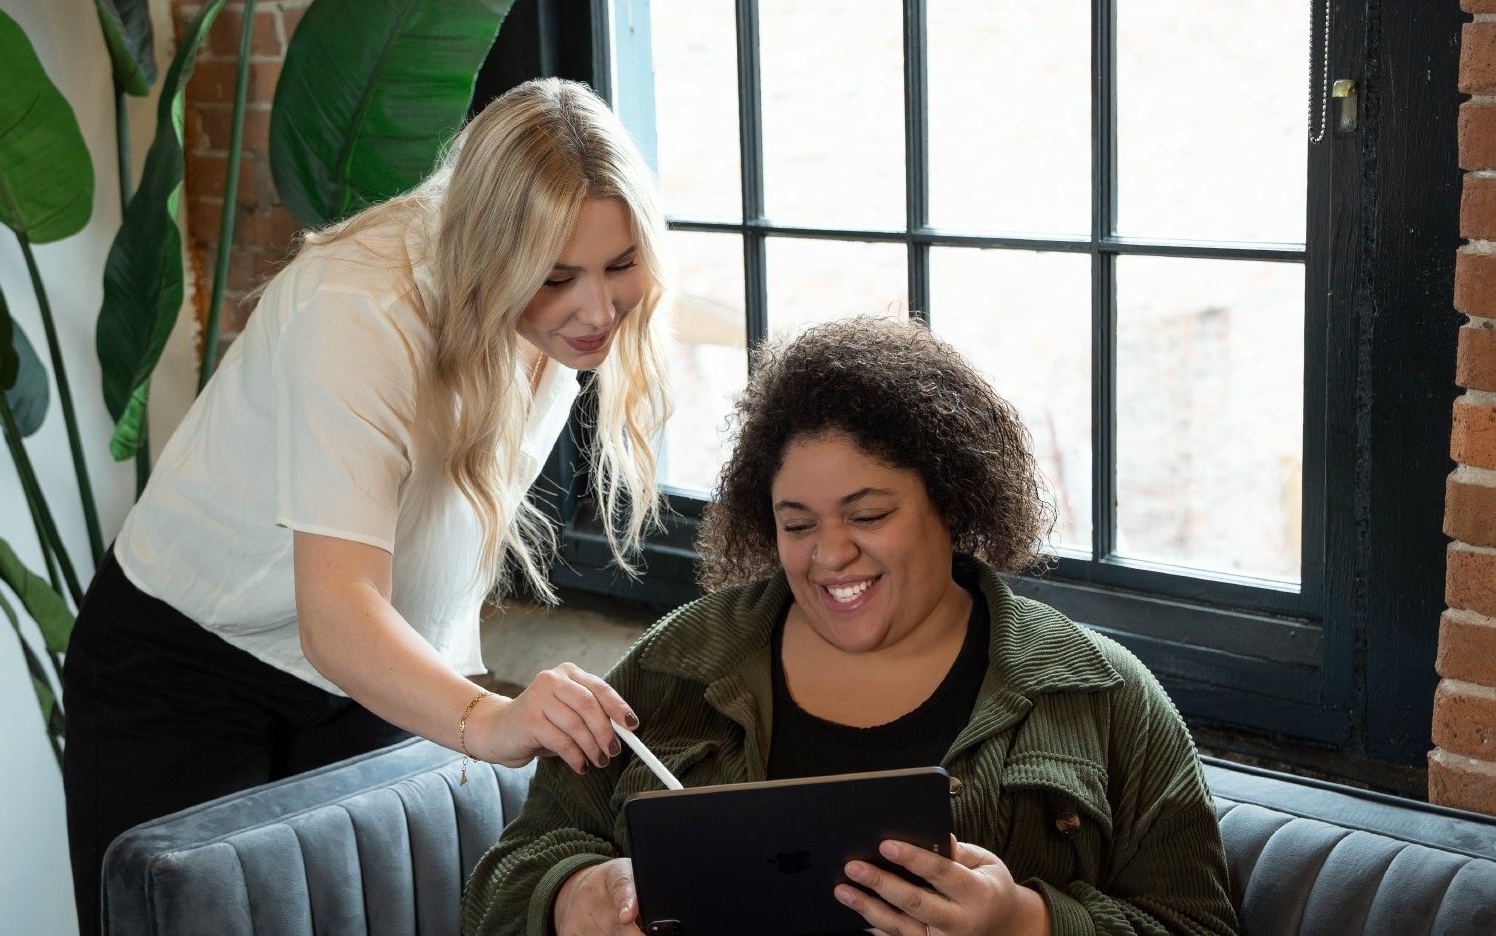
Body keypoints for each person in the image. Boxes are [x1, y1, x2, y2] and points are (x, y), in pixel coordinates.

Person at [63, 78, 673, 936]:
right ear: (492, 255)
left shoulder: (562, 319)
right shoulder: (360, 307)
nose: (598, 310)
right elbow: (338, 614)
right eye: (558, 277)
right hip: (184, 672)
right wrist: (494, 720)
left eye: (620, 266)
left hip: (371, 678)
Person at [461, 316, 1239, 936]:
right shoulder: (677, 666)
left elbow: (1197, 923)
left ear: (953, 502)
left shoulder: (1101, 698)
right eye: (796, 525)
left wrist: (1025, 924)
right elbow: (505, 882)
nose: (830, 555)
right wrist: (573, 900)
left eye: (868, 515)